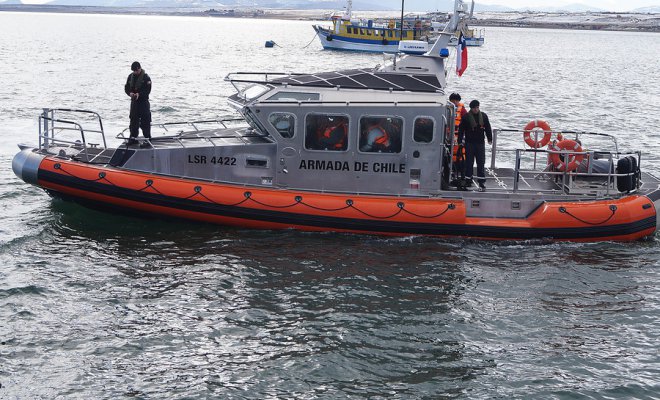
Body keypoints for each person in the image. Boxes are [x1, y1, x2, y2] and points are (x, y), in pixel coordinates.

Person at [458, 99, 492, 191]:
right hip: (469, 143)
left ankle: (481, 182)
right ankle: (468, 180)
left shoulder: (484, 116)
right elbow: (461, 130)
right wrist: (460, 141)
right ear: (471, 108)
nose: (476, 109)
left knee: (481, 162)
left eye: (477, 107)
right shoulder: (466, 117)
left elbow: (488, 127)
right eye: (474, 108)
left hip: (480, 143)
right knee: (469, 162)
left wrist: (490, 138)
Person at [124, 61, 152, 146]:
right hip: (134, 103)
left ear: (139, 68)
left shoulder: (146, 78)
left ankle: (147, 139)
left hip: (143, 102)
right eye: (134, 71)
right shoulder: (130, 77)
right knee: (133, 121)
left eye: (136, 70)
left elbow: (148, 90)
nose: (135, 72)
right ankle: (133, 138)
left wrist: (139, 94)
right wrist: (130, 93)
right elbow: (126, 88)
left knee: (145, 121)